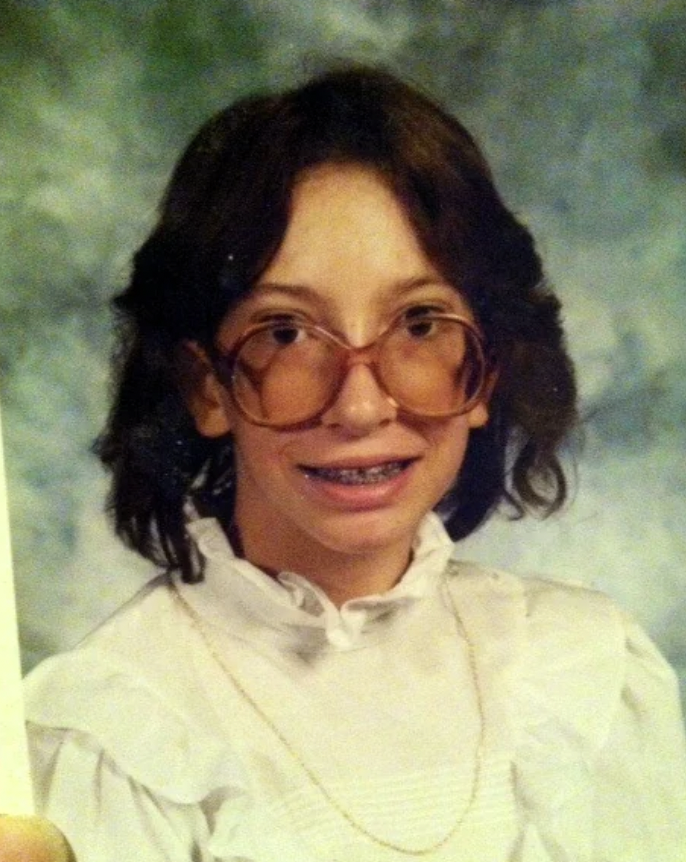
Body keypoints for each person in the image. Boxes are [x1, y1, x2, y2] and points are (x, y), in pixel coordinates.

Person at [23, 65, 686, 861]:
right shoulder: (116, 727)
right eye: (286, 333)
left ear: (486, 373)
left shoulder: (589, 674)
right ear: (205, 385)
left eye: (419, 323)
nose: (362, 406)